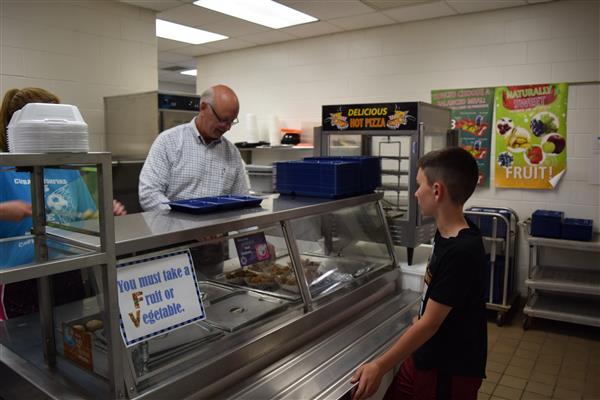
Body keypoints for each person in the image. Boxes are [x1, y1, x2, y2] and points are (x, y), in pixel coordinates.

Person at [351, 147, 487, 400]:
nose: (415, 193)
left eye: (419, 184)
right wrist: (421, 319)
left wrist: (379, 366)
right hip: (425, 355)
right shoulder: (447, 233)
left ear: (437, 191)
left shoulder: (462, 250)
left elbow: (431, 324)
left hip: (448, 369)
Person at [0, 87, 126, 320]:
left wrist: (106, 212)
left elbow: (84, 215)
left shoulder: (65, 169)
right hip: (17, 277)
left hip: (66, 272)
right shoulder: (4, 167)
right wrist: (2, 211)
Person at [139, 84, 249, 212]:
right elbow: (149, 194)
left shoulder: (232, 153)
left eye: (231, 122)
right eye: (223, 120)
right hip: (176, 229)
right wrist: (185, 224)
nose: (227, 127)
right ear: (203, 107)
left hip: (218, 231)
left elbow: (241, 201)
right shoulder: (168, 142)